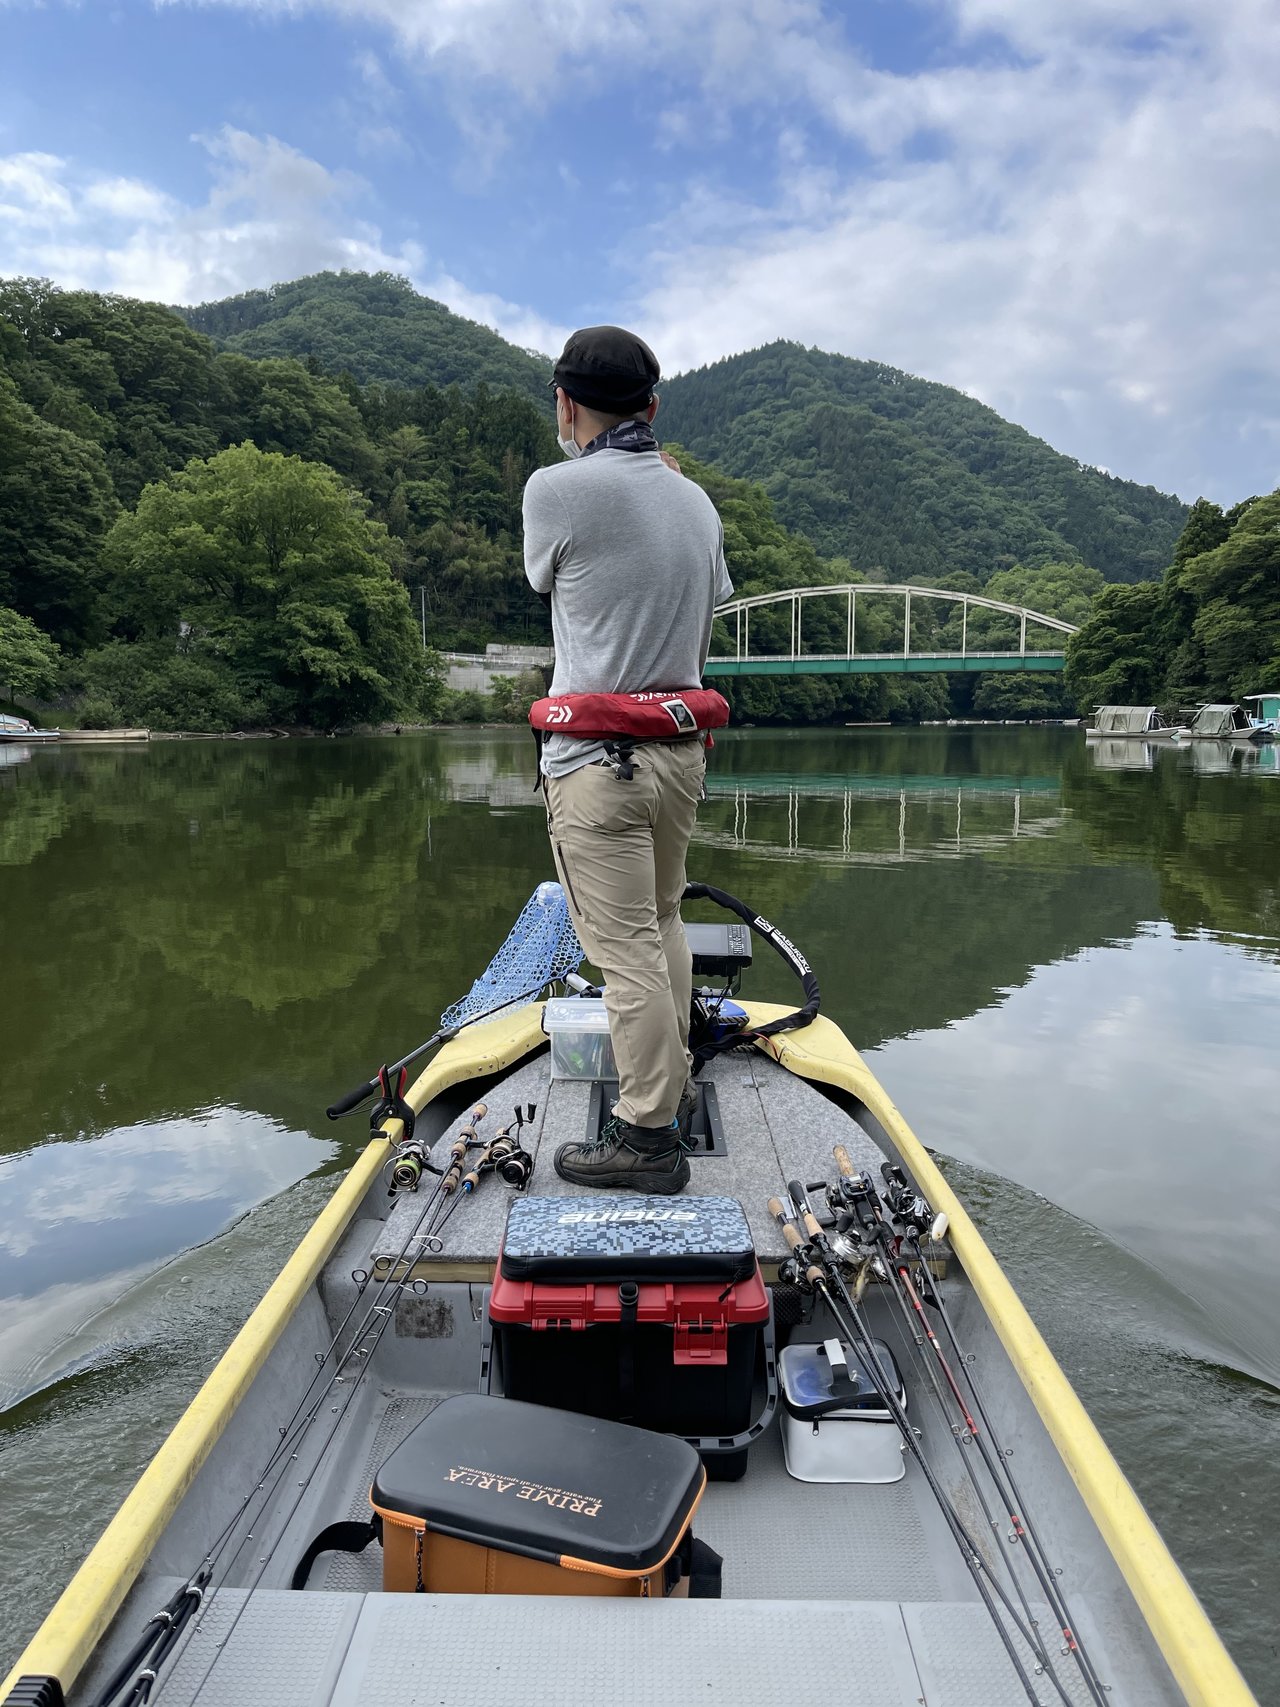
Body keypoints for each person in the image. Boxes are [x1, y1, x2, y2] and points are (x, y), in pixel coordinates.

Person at [523, 325, 733, 1194]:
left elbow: (544, 580)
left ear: (567, 404)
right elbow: (712, 593)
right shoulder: (698, 503)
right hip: (679, 759)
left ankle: (646, 1137)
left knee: (623, 952)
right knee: (664, 921)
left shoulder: (555, 489)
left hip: (597, 766)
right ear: (653, 407)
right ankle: (668, 1088)